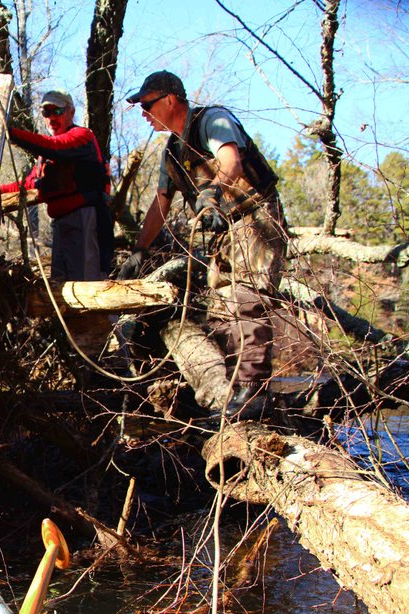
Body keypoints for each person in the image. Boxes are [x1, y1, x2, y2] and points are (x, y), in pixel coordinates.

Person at [120, 71, 287, 420]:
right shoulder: (172, 151)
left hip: (255, 216)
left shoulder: (213, 120)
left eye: (146, 104)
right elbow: (160, 203)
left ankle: (252, 395)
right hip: (225, 230)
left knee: (248, 298)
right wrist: (140, 249)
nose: (143, 113)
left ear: (169, 100)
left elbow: (230, 161)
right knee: (221, 308)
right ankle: (234, 394)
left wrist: (213, 192)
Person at [0, 90, 114, 282]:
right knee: (61, 288)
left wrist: (9, 133)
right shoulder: (45, 160)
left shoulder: (82, 136)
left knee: (87, 287)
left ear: (70, 112)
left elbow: (55, 146)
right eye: (46, 113)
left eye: (57, 111)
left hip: (86, 220)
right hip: (62, 225)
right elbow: (27, 185)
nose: (51, 118)